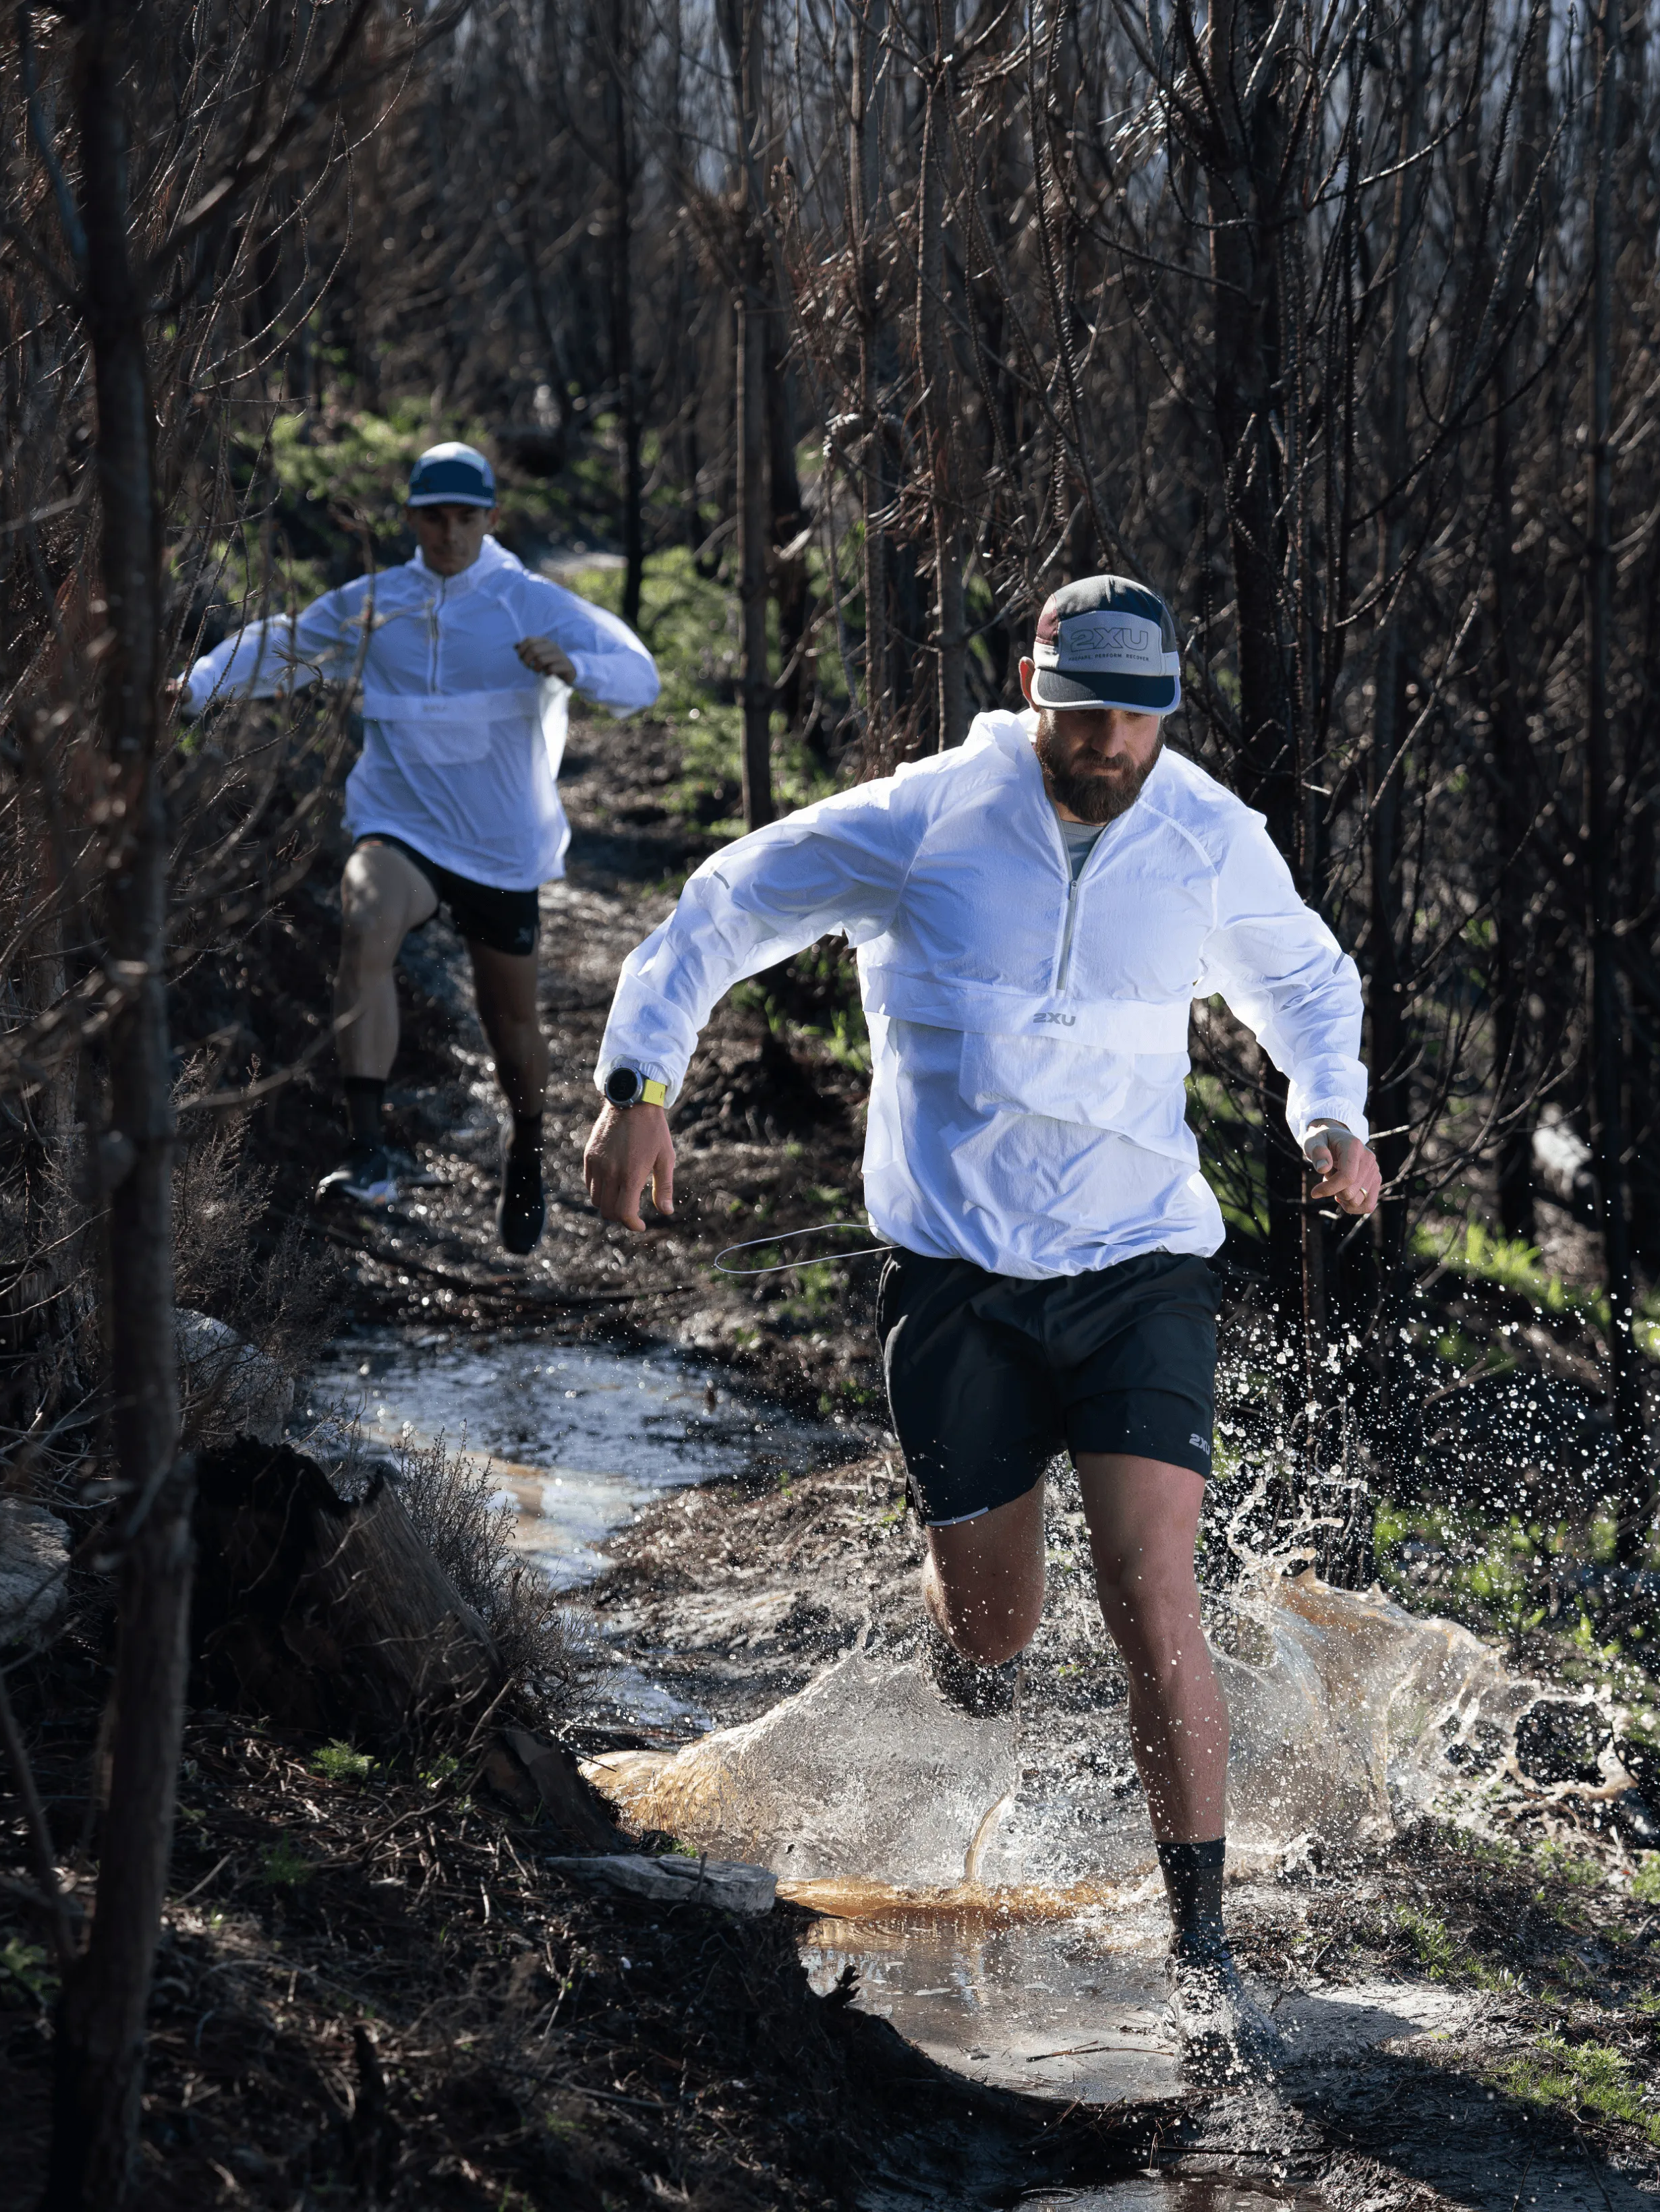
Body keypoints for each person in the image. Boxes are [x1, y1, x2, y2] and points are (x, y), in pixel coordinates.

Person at [582, 575, 1380, 2071]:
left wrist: (1331, 1110)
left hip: (1140, 1263)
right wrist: (641, 1084)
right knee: (996, 1627)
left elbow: (1305, 979)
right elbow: (726, 904)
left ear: (1167, 710)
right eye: (1081, 711)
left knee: (1154, 1593)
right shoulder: (925, 818)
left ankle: (1201, 1942)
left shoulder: (1207, 835)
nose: (1107, 743)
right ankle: (967, 1646)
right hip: (956, 1281)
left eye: (1135, 718)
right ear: (1032, 683)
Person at [179, 442, 660, 1252]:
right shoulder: (377, 601)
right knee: (364, 921)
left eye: (464, 518)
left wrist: (573, 665)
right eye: (432, 517)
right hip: (400, 826)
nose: (447, 533)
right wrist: (197, 685)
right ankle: (368, 1149)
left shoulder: (525, 601)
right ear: (410, 519)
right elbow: (287, 644)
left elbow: (638, 676)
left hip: (500, 844)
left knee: (508, 1020)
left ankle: (526, 1147)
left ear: (490, 520)